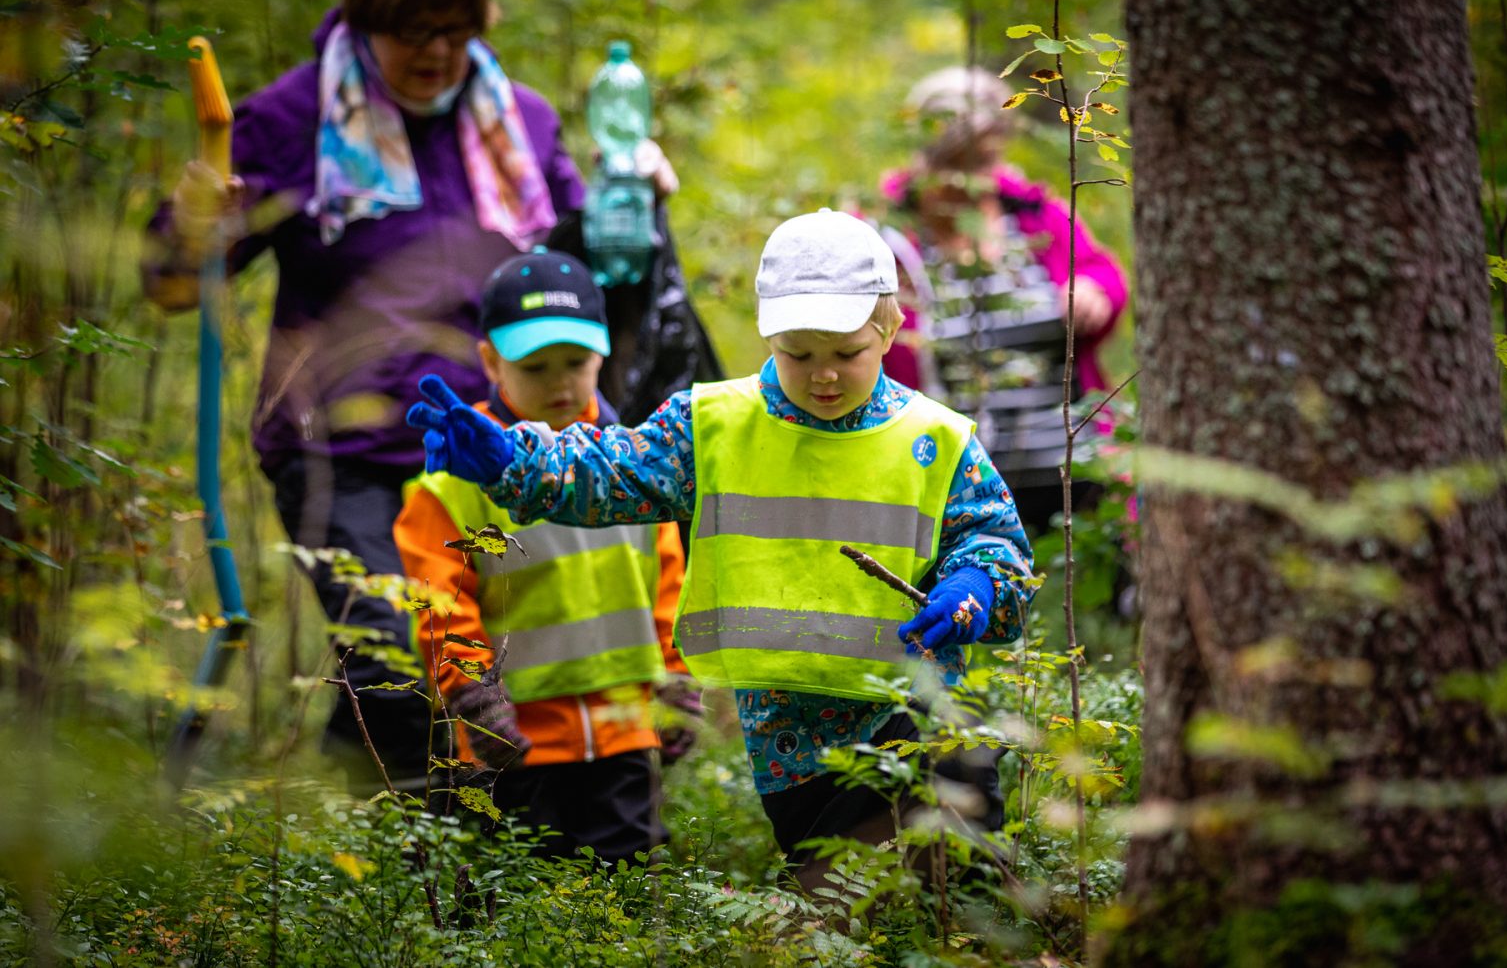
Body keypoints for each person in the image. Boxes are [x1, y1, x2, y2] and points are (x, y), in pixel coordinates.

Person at [139, 0, 698, 787]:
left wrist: (635, 205)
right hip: (343, 449)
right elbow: (172, 284)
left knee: (485, 659)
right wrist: (192, 218)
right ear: (366, 19)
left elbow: (575, 274)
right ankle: (414, 871)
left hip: (489, 452)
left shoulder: (523, 123)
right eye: (411, 31)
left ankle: (362, 825)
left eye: (455, 29)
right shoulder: (292, 119)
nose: (435, 52)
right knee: (395, 656)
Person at [405, 209, 1035, 887]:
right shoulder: (711, 426)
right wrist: (513, 461)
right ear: (769, 334)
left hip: (920, 704)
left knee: (967, 873)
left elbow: (994, 542)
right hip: (795, 741)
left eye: (845, 353)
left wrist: (978, 586)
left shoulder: (937, 439)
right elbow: (612, 470)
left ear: (887, 329)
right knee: (846, 900)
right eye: (799, 354)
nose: (823, 375)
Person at [393, 249, 697, 862]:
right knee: (507, 906)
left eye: (576, 363)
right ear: (490, 361)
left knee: (626, 893)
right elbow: (440, 608)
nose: (560, 383)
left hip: (623, 737)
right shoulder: (454, 480)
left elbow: (669, 586)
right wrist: (475, 698)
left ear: (604, 353)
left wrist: (677, 679)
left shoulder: (635, 464)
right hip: (512, 745)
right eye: (536, 367)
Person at [880, 65, 1129, 531]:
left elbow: (1102, 271)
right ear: (926, 155)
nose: (975, 178)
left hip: (1074, 471)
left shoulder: (1036, 216)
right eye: (958, 161)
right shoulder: (892, 241)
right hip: (956, 486)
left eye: (985, 159)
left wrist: (1097, 293)